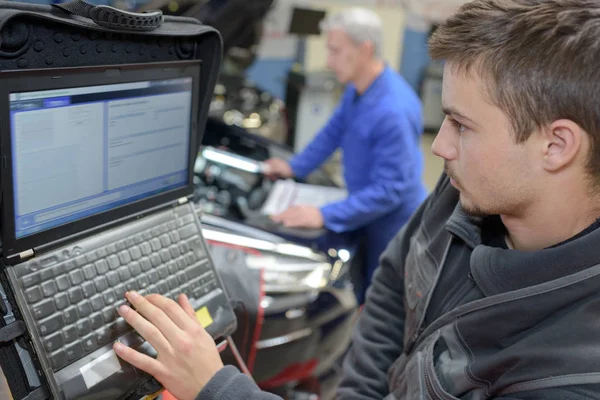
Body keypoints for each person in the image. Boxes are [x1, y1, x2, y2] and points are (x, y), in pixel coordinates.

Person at [114, 0, 600, 398]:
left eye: (462, 125)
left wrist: (216, 389)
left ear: (556, 146)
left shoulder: (568, 377)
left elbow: (389, 193)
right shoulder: (464, 190)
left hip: (379, 215)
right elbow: (392, 287)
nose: (440, 147)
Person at [265, 8, 427, 303]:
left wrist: (322, 214)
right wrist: (293, 167)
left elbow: (390, 190)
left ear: (364, 49)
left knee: (382, 301)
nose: (328, 61)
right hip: (364, 207)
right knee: (361, 287)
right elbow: (332, 133)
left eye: (335, 50)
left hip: (392, 226)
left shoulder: (393, 110)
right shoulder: (358, 90)